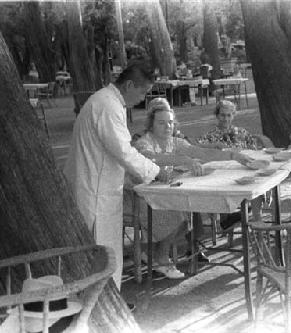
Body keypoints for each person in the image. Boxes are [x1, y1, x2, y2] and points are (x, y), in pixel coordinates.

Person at [63, 62, 171, 290]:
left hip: (100, 188)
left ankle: (105, 302)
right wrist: (156, 171)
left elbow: (117, 151)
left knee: (106, 253)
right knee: (103, 253)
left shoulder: (108, 102)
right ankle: (102, 306)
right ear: (129, 84)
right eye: (142, 92)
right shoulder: (107, 105)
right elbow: (123, 152)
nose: (143, 99)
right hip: (95, 193)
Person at [132, 98, 252, 276]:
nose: (167, 127)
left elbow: (201, 152)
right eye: (162, 123)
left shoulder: (175, 142)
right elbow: (151, 158)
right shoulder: (144, 142)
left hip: (165, 190)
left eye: (171, 123)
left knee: (188, 210)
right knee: (180, 211)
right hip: (141, 195)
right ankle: (161, 257)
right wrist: (183, 160)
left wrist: (233, 155)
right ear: (151, 124)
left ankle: (154, 252)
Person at [197, 100, 273, 230]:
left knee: (257, 178)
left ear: (233, 115)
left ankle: (256, 218)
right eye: (222, 115)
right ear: (217, 116)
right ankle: (230, 217)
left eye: (229, 115)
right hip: (223, 174)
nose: (225, 119)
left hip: (243, 170)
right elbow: (198, 149)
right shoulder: (210, 136)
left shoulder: (242, 132)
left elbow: (254, 152)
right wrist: (213, 146)